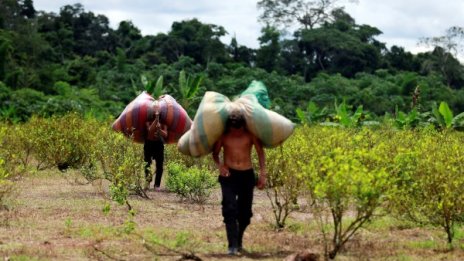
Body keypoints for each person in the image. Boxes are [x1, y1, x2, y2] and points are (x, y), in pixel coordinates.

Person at [212, 109, 267, 255]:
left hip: (247, 176)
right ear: (229, 127)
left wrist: (263, 173)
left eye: (239, 130)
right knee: (229, 209)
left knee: (245, 214)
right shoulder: (223, 136)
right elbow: (215, 154)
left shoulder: (250, 135)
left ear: (243, 126)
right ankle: (232, 245)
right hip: (229, 176)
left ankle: (239, 240)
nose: (236, 133)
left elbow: (260, 152)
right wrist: (220, 166)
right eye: (233, 130)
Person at [144, 109, 168, 191]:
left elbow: (165, 134)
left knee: (160, 166)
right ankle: (147, 182)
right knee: (147, 164)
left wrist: (159, 130)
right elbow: (150, 130)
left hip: (159, 145)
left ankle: (157, 185)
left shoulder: (164, 124)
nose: (157, 115)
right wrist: (156, 119)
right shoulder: (148, 122)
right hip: (149, 144)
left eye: (158, 114)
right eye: (155, 114)